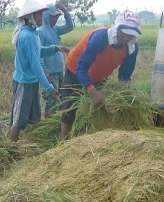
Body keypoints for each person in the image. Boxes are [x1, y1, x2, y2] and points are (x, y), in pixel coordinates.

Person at [59, 10, 141, 139]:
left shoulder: (132, 47)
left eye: (130, 35)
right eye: (124, 33)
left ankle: (92, 136)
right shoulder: (100, 38)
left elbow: (125, 76)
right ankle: (64, 139)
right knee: (70, 107)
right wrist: (92, 91)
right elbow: (82, 68)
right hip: (75, 69)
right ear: (117, 29)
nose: (126, 38)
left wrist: (123, 96)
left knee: (100, 106)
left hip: (99, 74)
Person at [9, 0, 63, 141]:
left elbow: (37, 52)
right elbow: (35, 64)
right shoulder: (27, 36)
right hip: (24, 83)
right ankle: (9, 148)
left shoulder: (33, 33)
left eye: (41, 14)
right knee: (18, 120)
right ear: (30, 17)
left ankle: (29, 145)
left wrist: (55, 48)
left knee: (34, 118)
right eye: (38, 15)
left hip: (31, 82)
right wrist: (49, 88)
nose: (41, 17)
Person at [38, 2, 74, 116]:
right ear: (46, 16)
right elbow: (39, 54)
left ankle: (56, 123)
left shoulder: (55, 29)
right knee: (52, 101)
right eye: (53, 16)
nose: (55, 19)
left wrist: (64, 10)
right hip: (50, 73)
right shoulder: (41, 31)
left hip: (59, 71)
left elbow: (70, 26)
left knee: (61, 99)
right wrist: (45, 73)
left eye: (57, 16)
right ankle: (48, 125)